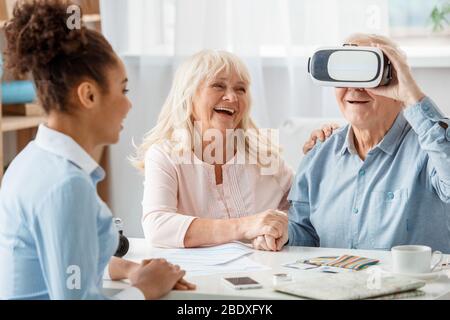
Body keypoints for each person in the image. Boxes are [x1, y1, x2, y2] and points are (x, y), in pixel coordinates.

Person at [0, 0, 194, 300]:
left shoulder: (31, 161)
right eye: (123, 90)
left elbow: (59, 263)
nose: (129, 105)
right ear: (88, 95)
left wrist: (128, 269)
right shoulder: (66, 185)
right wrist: (145, 289)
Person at [285, 33, 450, 253]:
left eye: (367, 74)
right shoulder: (318, 154)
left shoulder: (430, 150)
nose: (354, 87)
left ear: (397, 82)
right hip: (336, 284)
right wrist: (283, 233)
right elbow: (305, 236)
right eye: (346, 74)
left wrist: (413, 96)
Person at [132, 50, 293, 251]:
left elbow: (301, 208)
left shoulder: (263, 154)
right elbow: (158, 226)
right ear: (188, 94)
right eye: (218, 85)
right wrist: (245, 226)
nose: (232, 97)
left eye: (241, 89)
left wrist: (279, 230)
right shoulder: (165, 155)